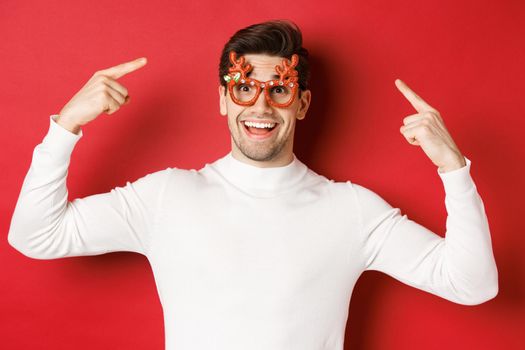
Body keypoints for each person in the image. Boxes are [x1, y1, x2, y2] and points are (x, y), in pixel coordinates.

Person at [8, 20, 498, 350]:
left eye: (279, 90)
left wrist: (453, 168)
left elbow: (472, 285)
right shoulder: (166, 197)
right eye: (244, 88)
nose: (261, 107)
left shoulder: (352, 210)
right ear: (225, 99)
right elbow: (35, 236)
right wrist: (65, 126)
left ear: (301, 104)